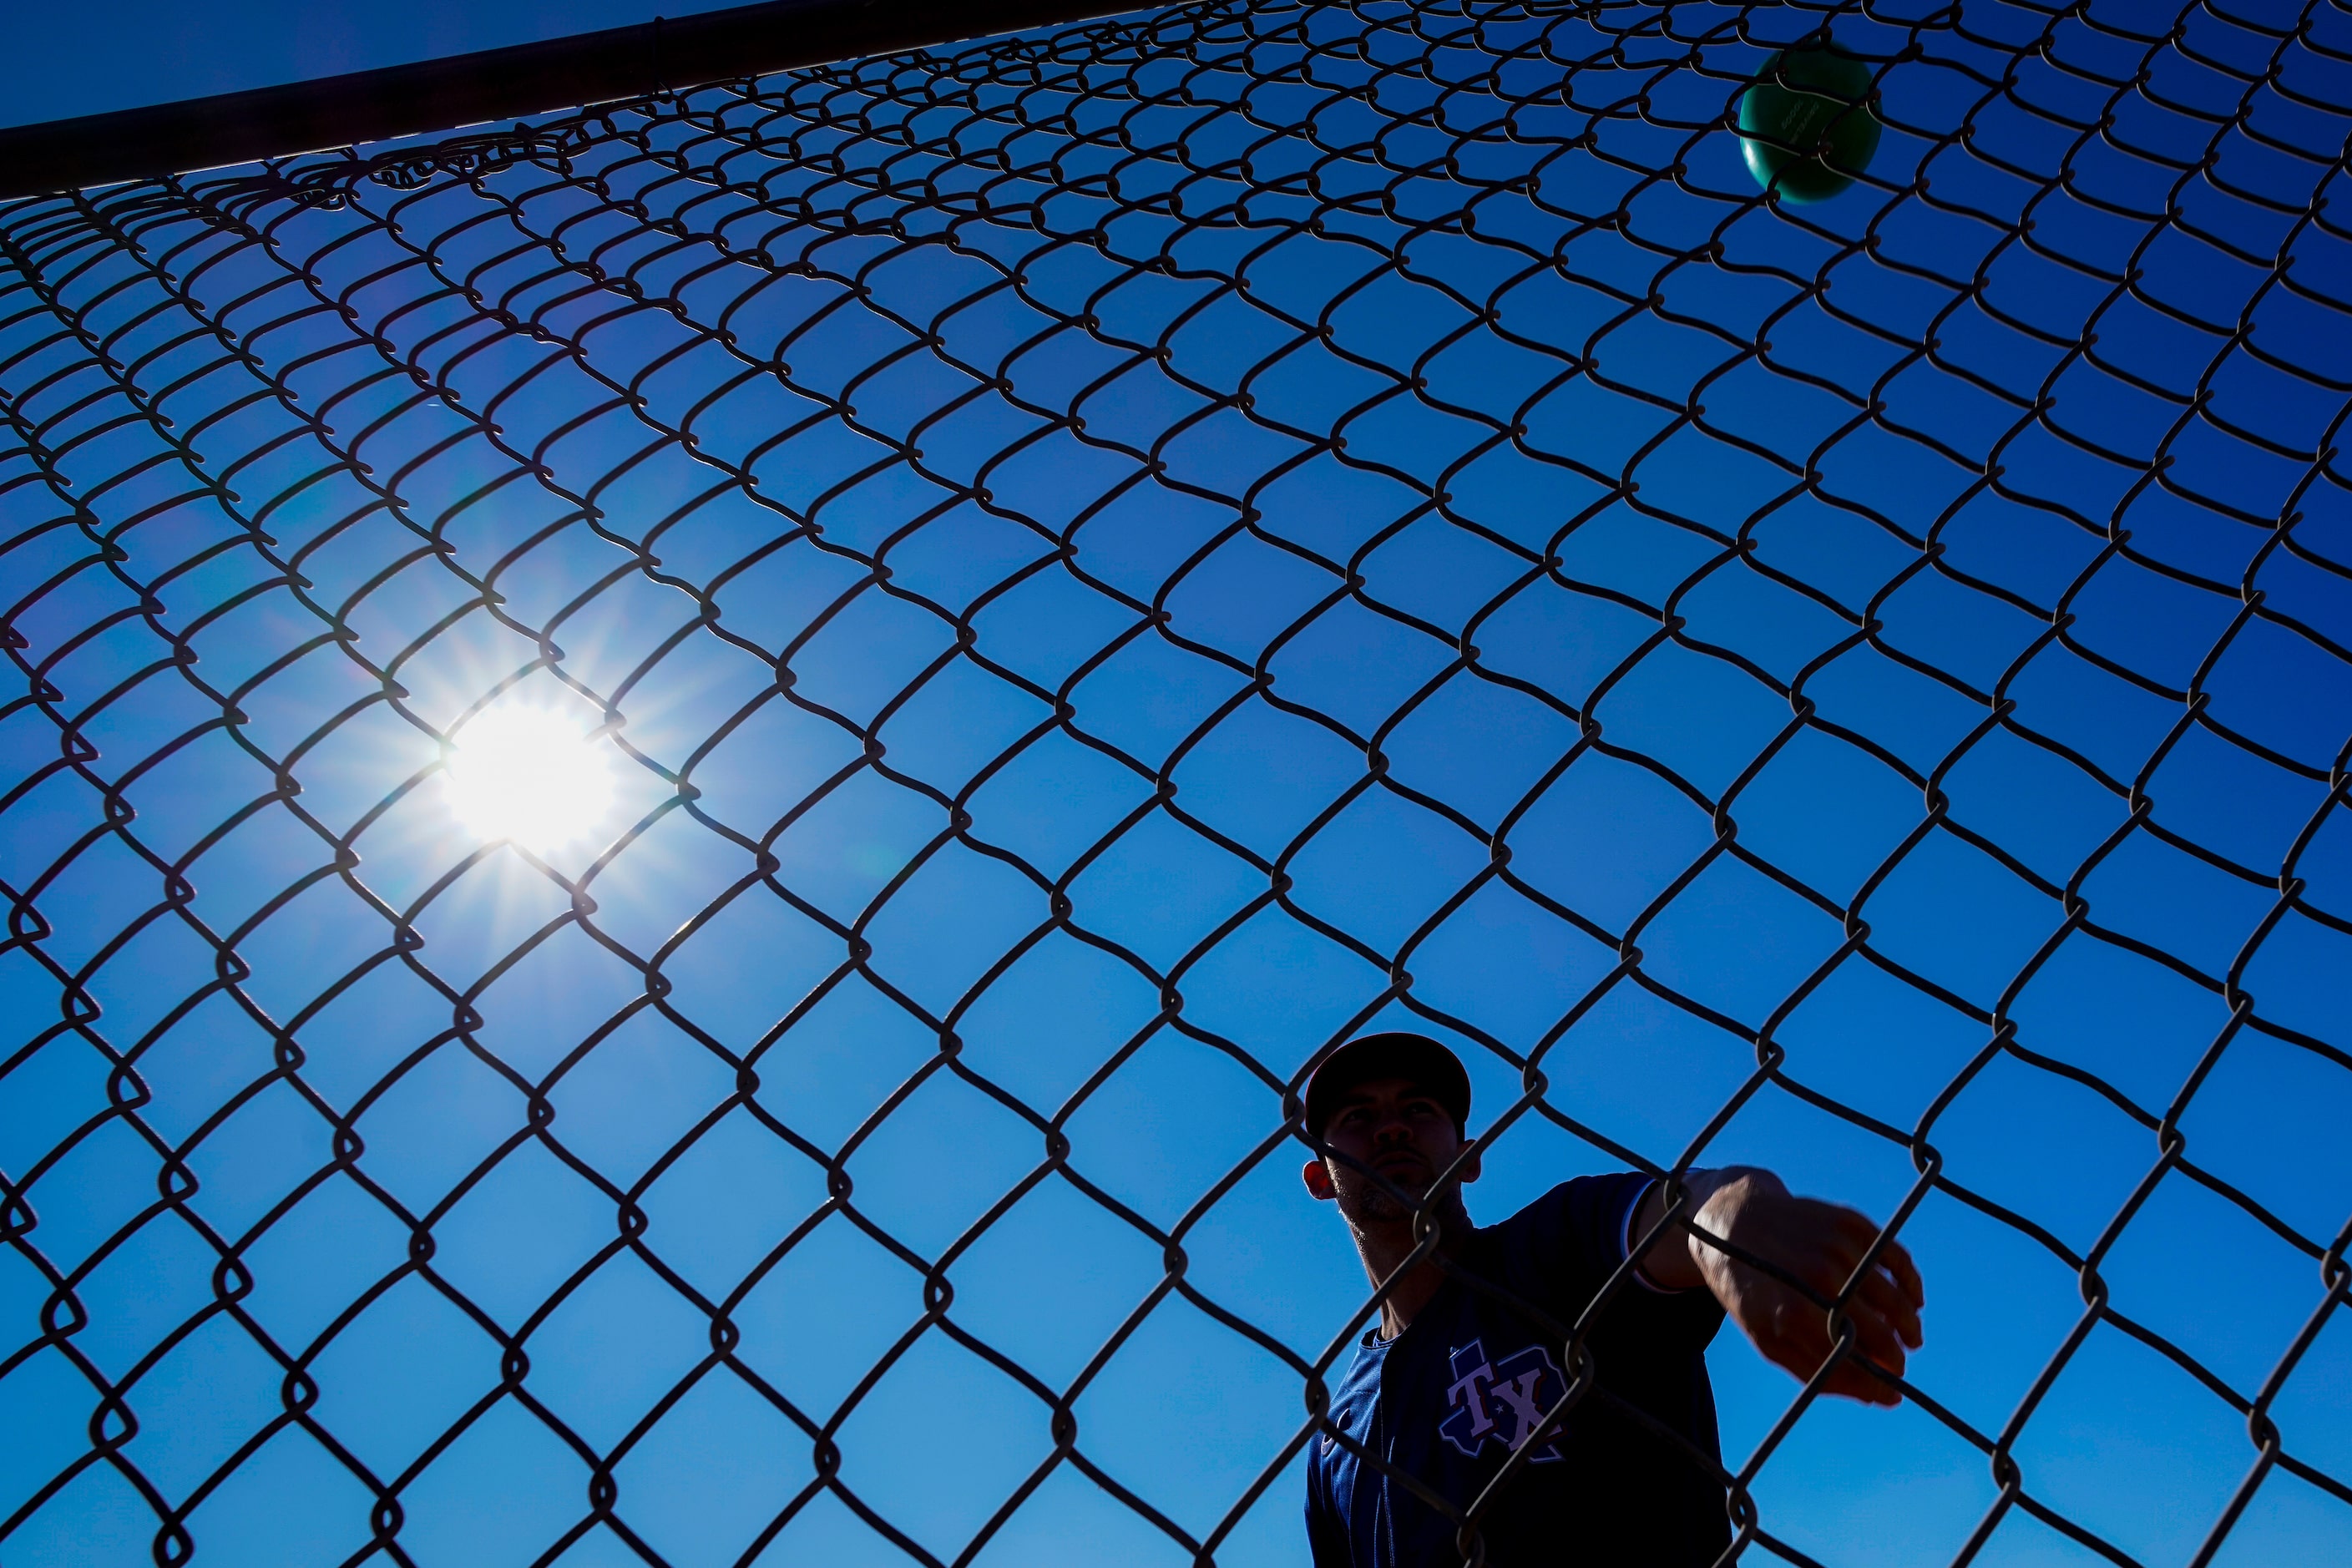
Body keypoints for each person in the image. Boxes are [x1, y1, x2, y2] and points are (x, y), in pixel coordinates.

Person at [1300, 1031, 1925, 1566]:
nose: (1391, 1128)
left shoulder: (1550, 1248)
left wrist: (1738, 1232)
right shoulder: (1337, 1433)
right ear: (1320, 1177)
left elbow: (1690, 1204)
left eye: (1419, 1109)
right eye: (1356, 1117)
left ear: (1468, 1159)